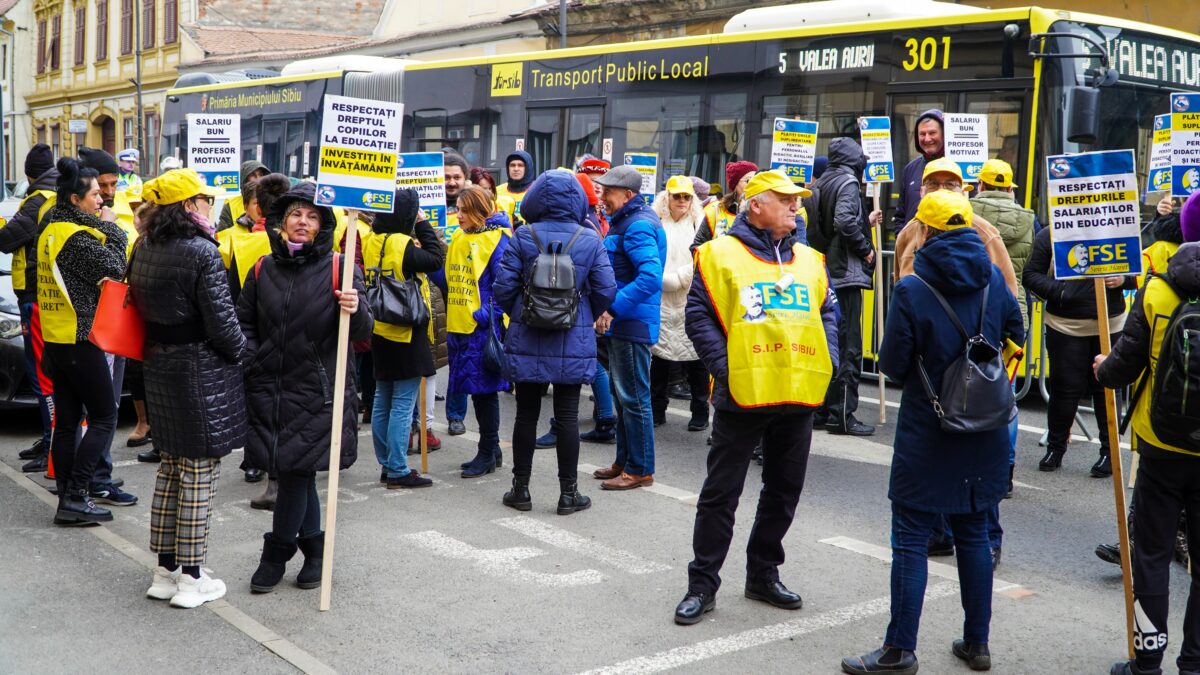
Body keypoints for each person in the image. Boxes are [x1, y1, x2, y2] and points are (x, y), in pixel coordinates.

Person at [842, 190, 1023, 675]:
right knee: (974, 534)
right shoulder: (990, 277)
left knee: (911, 538)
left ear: (924, 231)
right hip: (984, 426)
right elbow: (1017, 331)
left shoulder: (913, 288)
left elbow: (896, 365)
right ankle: (977, 643)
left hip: (930, 426)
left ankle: (900, 650)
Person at [674, 170, 838, 625]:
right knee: (721, 495)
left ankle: (763, 574)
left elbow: (828, 315)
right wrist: (728, 370)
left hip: (797, 395)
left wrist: (831, 363)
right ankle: (702, 585)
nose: (796, 207)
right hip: (742, 396)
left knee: (783, 492)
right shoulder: (718, 255)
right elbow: (699, 318)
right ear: (756, 206)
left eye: (798, 200)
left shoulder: (810, 259)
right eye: (786, 199)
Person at [239, 182, 372, 593]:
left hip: (318, 389)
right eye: (296, 214)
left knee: (293, 472)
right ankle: (315, 550)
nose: (303, 221)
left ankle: (276, 553)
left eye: (312, 216)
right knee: (294, 469)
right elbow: (244, 322)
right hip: (270, 386)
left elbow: (364, 332)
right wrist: (253, 359)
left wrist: (356, 306)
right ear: (281, 222)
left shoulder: (340, 267)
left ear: (322, 226)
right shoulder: (262, 268)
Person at [128, 168, 246, 608]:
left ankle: (166, 570)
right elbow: (223, 324)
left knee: (171, 470)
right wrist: (242, 353)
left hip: (159, 365)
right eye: (204, 199)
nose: (209, 206)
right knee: (198, 474)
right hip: (198, 369)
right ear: (189, 206)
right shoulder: (201, 251)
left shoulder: (143, 244)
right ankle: (192, 579)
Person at [1096, 194, 1200, 675]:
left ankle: (1147, 661)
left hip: (1159, 444)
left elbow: (1120, 368)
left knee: (1152, 554)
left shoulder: (1158, 291)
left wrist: (1102, 367)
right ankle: (1195, 660)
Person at [493, 170, 616, 513]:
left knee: (526, 416)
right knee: (567, 416)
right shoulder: (590, 239)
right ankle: (568, 494)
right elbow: (607, 289)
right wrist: (581, 310)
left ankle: (520, 490)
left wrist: (524, 310)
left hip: (527, 334)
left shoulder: (522, 236)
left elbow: (502, 289)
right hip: (573, 337)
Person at [37, 157, 128, 524]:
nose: (101, 201)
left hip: (59, 339)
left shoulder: (52, 229)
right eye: (94, 195)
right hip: (79, 339)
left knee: (69, 422)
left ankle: (67, 499)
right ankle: (76, 495)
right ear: (75, 199)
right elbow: (116, 267)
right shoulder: (75, 238)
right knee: (105, 417)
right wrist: (115, 230)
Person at [1023, 213, 1135, 477]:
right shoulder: (1050, 234)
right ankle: (1055, 447)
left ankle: (1110, 453)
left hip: (1111, 323)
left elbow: (1136, 271)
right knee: (1064, 388)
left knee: (1106, 388)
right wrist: (1059, 291)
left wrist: (1123, 279)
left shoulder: (1117, 229)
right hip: (1065, 325)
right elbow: (1031, 275)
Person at [363, 189, 445, 490]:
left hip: (380, 328)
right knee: (402, 403)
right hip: (406, 329)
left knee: (383, 398)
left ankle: (386, 463)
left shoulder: (372, 240)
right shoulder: (401, 243)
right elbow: (435, 259)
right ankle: (398, 468)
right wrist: (423, 224)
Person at [591, 165, 666, 491]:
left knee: (634, 399)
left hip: (631, 322)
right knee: (624, 398)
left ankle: (640, 469)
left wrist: (612, 307)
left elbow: (650, 276)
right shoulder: (629, 221)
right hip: (626, 322)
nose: (603, 196)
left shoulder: (637, 226)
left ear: (629, 195)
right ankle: (624, 462)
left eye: (608, 191)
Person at [810, 137, 876, 437]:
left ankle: (823, 410)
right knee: (849, 347)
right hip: (846, 273)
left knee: (829, 345)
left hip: (825, 271)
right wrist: (865, 250)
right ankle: (844, 416)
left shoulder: (823, 181)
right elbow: (844, 221)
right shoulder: (848, 181)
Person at [445, 186, 511, 478]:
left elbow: (505, 284)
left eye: (463, 210)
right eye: (457, 209)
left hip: (482, 329)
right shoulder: (462, 236)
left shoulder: (498, 240)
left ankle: (486, 452)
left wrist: (485, 315)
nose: (457, 215)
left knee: (485, 392)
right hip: (462, 326)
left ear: (479, 211)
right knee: (475, 391)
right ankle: (491, 450)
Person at [1, 144, 56, 471]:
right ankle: (49, 438)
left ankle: (51, 442)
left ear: (28, 173)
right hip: (43, 295)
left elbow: (6, 240)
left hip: (34, 297)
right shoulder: (55, 197)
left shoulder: (36, 201)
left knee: (41, 376)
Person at [650, 175, 710, 432]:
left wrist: (678, 279)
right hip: (660, 297)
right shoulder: (656, 222)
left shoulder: (700, 223)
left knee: (696, 357)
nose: (682, 201)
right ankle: (656, 409)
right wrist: (662, 280)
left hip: (689, 296)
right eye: (677, 196)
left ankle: (700, 411)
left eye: (687, 196)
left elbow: (704, 256)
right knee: (659, 357)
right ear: (667, 198)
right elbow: (649, 255)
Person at [893, 109, 944, 234]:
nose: (927, 139)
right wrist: (903, 241)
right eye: (922, 134)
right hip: (913, 250)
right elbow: (900, 215)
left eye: (932, 133)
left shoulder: (958, 167)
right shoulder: (910, 169)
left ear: (944, 134)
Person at [693, 160, 757, 250]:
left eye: (756, 180)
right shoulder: (716, 210)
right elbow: (697, 247)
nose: (753, 185)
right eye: (748, 180)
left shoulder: (763, 211)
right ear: (735, 185)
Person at [216, 160, 268, 232]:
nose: (258, 178)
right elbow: (222, 236)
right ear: (244, 178)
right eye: (252, 175)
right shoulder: (231, 204)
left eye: (260, 174)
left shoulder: (272, 200)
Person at [496, 150, 535, 227]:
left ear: (527, 168)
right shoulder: (497, 191)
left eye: (520, 165)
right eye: (512, 165)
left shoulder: (536, 190)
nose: (516, 169)